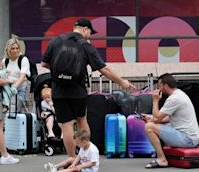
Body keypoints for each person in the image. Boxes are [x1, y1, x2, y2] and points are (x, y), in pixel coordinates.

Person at [41, 18, 135, 167]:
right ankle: (86, 155)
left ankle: (71, 160)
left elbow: (44, 63)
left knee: (66, 126)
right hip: (78, 90)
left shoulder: (56, 41)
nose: (90, 35)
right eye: (90, 32)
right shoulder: (86, 46)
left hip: (58, 90)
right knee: (82, 120)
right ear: (85, 29)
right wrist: (122, 82)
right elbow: (104, 69)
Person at [143, 73, 199, 169]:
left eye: (159, 86)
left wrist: (155, 101)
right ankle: (163, 156)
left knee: (149, 127)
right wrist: (152, 119)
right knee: (153, 123)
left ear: (165, 85)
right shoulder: (179, 94)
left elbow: (157, 118)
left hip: (187, 139)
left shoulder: (174, 98)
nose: (158, 89)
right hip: (190, 137)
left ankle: (162, 159)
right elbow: (167, 118)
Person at [4, 38, 31, 113]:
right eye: (13, 48)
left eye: (17, 48)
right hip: (8, 90)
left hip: (21, 89)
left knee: (18, 110)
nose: (15, 50)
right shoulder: (5, 61)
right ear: (8, 50)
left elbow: (22, 76)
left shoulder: (23, 59)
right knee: (9, 112)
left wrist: (14, 86)